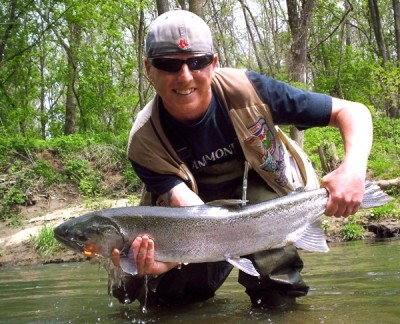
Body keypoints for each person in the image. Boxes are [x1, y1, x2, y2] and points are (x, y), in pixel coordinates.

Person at [111, 9, 372, 309]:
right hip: (197, 211)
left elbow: (353, 112)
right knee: (164, 297)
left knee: (276, 290)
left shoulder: (250, 90)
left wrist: (352, 170)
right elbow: (192, 216)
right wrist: (169, 261)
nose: (184, 76)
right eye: (169, 65)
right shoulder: (144, 142)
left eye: (197, 62)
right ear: (148, 68)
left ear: (214, 64)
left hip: (266, 190)